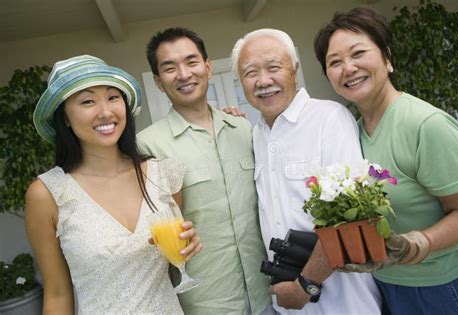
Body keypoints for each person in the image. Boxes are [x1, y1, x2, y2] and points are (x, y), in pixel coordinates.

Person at [313, 7, 458, 315]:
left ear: (387, 58)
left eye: (358, 53)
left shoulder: (425, 125)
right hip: (385, 286)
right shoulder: (352, 132)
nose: (348, 68)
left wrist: (418, 243)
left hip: (442, 288)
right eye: (335, 62)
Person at [25, 55, 202, 314]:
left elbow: (172, 263)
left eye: (113, 97)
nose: (106, 112)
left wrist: (187, 247)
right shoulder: (47, 194)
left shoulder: (160, 175)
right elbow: (57, 292)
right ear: (64, 117)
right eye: (87, 101)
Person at [231, 28, 382, 314]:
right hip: (288, 305)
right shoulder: (257, 134)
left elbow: (350, 217)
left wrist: (306, 284)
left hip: (343, 303)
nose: (263, 81)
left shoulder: (329, 119)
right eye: (251, 72)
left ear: (295, 68)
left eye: (273, 67)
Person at [137, 27, 272, 314]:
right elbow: (145, 232)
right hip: (206, 301)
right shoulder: (147, 145)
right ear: (159, 82)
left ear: (208, 67)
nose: (184, 74)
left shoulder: (244, 129)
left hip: (267, 292)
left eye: (192, 62)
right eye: (170, 68)